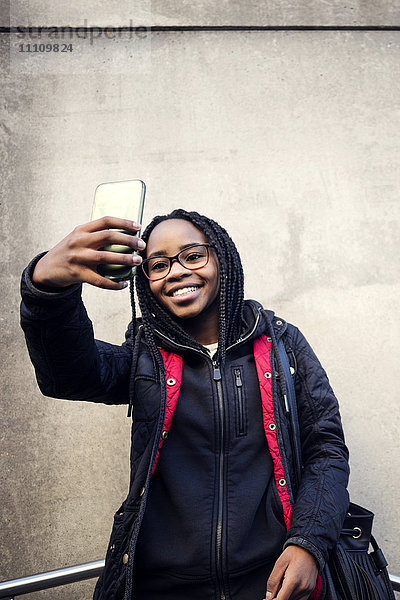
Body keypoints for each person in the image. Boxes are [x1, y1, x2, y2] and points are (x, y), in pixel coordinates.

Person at [20, 209, 350, 600]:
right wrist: (47, 289)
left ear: (221, 258)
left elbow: (326, 451)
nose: (176, 272)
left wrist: (308, 543)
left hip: (269, 582)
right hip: (161, 587)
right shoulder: (144, 355)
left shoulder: (282, 344)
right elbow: (69, 375)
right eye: (158, 265)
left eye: (193, 256)